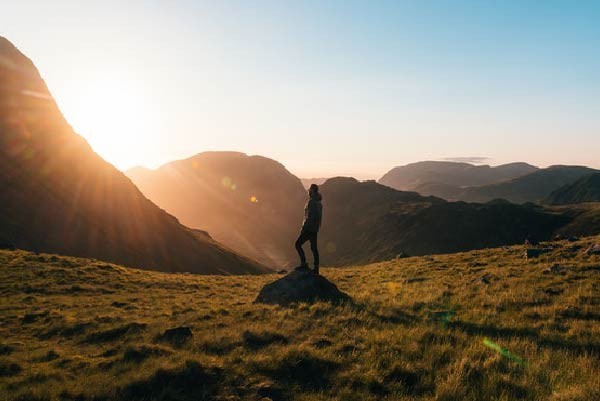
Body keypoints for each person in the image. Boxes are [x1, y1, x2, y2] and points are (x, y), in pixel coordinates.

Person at [295, 184, 323, 274]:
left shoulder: (311, 202)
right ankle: (316, 268)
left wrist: (303, 228)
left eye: (310, 190)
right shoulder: (319, 202)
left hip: (309, 228)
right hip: (315, 229)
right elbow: (319, 217)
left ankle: (304, 264)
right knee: (314, 248)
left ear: (312, 191)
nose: (309, 191)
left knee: (297, 244)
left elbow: (308, 217)